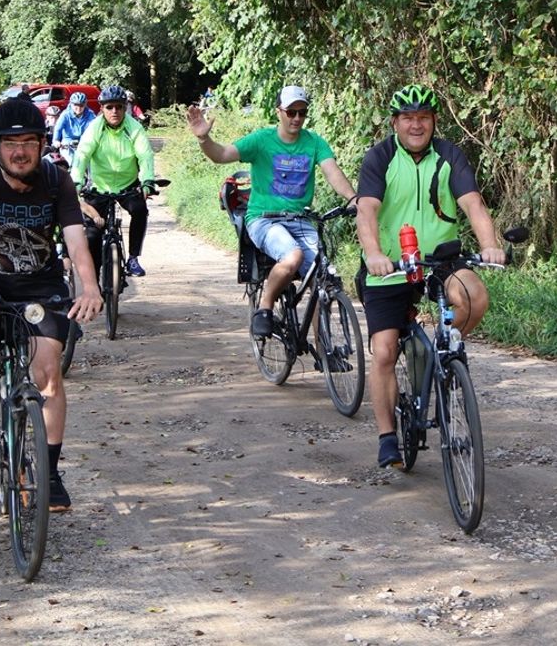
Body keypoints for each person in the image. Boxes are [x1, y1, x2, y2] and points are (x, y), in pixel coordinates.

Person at [0, 95, 103, 511]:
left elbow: (75, 240)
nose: (20, 151)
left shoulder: (56, 181)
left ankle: (50, 474)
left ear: (41, 144)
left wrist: (89, 287)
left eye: (30, 142)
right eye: (11, 143)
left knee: (50, 374)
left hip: (40, 285)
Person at [355, 84, 504, 469]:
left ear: (434, 121)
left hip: (440, 259)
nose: (416, 125)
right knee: (385, 350)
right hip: (390, 265)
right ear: (395, 123)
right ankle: (387, 436)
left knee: (475, 297)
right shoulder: (380, 157)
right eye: (408, 118)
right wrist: (373, 254)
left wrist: (490, 244)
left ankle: (440, 347)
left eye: (423, 117)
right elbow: (367, 211)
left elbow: (473, 203)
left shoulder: (449, 154)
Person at [187, 85, 357, 336]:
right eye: (291, 112)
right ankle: (265, 308)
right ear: (279, 112)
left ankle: (325, 351)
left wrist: (354, 198)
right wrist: (204, 138)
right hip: (264, 221)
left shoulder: (314, 142)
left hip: (300, 220)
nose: (297, 118)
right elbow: (222, 154)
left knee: (323, 277)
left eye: (302, 112)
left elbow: (332, 172)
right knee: (292, 256)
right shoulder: (261, 141)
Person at [70, 85, 157, 277]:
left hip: (128, 185)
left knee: (140, 210)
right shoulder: (95, 128)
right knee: (92, 233)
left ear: (125, 107)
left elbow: (145, 155)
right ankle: (96, 275)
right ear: (102, 109)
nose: (114, 111)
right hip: (100, 187)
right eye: (109, 107)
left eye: (119, 107)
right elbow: (82, 154)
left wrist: (147, 180)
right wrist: (76, 181)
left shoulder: (133, 128)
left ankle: (133, 258)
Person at [52, 91, 96, 167]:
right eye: (76, 105)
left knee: (91, 164)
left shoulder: (90, 114)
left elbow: (95, 127)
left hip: (83, 143)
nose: (78, 108)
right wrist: (56, 140)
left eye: (81, 105)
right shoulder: (65, 114)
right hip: (67, 144)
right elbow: (58, 129)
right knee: (72, 162)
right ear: (71, 104)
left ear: (85, 105)